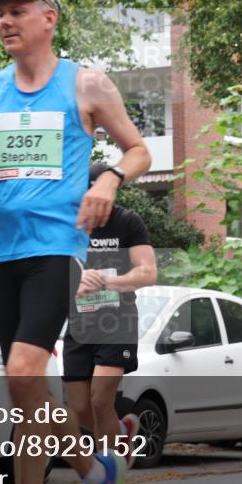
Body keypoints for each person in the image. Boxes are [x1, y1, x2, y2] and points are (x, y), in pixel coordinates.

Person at [0, 0, 151, 484]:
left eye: (17, 11)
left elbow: (139, 150)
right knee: (24, 394)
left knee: (21, 373)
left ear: (48, 19)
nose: (5, 20)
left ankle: (91, 472)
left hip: (57, 249)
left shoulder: (86, 85)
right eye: (1, 12)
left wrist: (108, 179)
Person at [63, 163, 158, 467]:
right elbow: (51, 275)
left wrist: (108, 281)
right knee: (78, 409)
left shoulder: (128, 222)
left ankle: (108, 467)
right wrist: (74, 283)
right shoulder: (69, 224)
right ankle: (120, 432)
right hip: (79, 322)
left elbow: (148, 272)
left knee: (100, 399)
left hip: (117, 321)